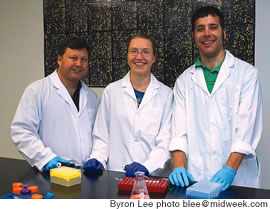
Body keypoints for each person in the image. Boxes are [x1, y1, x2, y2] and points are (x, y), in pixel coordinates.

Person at [168, 6, 262, 191]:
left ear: (224, 33)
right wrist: (178, 166)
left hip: (237, 178)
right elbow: (179, 134)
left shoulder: (247, 74)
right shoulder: (184, 81)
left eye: (213, 27)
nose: (207, 33)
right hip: (197, 179)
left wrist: (229, 168)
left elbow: (246, 130)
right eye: (200, 28)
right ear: (194, 36)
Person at [83, 34, 173, 177]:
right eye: (134, 51)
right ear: (127, 55)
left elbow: (166, 141)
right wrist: (97, 158)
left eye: (146, 52)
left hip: (153, 176)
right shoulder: (111, 91)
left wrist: (147, 166)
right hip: (116, 174)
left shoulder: (166, 94)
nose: (139, 57)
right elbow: (102, 135)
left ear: (154, 57)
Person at [11, 37, 100, 171]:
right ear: (59, 60)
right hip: (51, 172)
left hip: (84, 174)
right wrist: (45, 159)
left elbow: (99, 135)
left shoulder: (92, 97)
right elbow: (22, 131)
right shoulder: (37, 91)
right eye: (73, 58)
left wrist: (96, 157)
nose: (79, 64)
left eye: (84, 59)